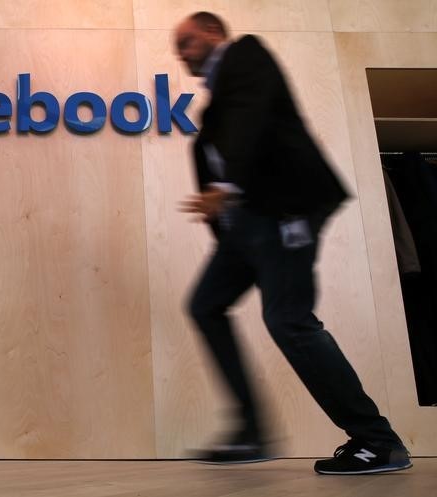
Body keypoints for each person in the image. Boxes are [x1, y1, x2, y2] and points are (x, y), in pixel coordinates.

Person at [174, 11, 412, 475]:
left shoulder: (248, 56)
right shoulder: (212, 109)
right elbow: (233, 139)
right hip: (247, 228)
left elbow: (252, 117)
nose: (181, 53)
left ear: (211, 32)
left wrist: (224, 191)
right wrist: (227, 226)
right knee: (205, 305)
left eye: (185, 41)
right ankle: (251, 433)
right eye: (176, 48)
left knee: (289, 321)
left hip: (287, 212)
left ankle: (378, 441)